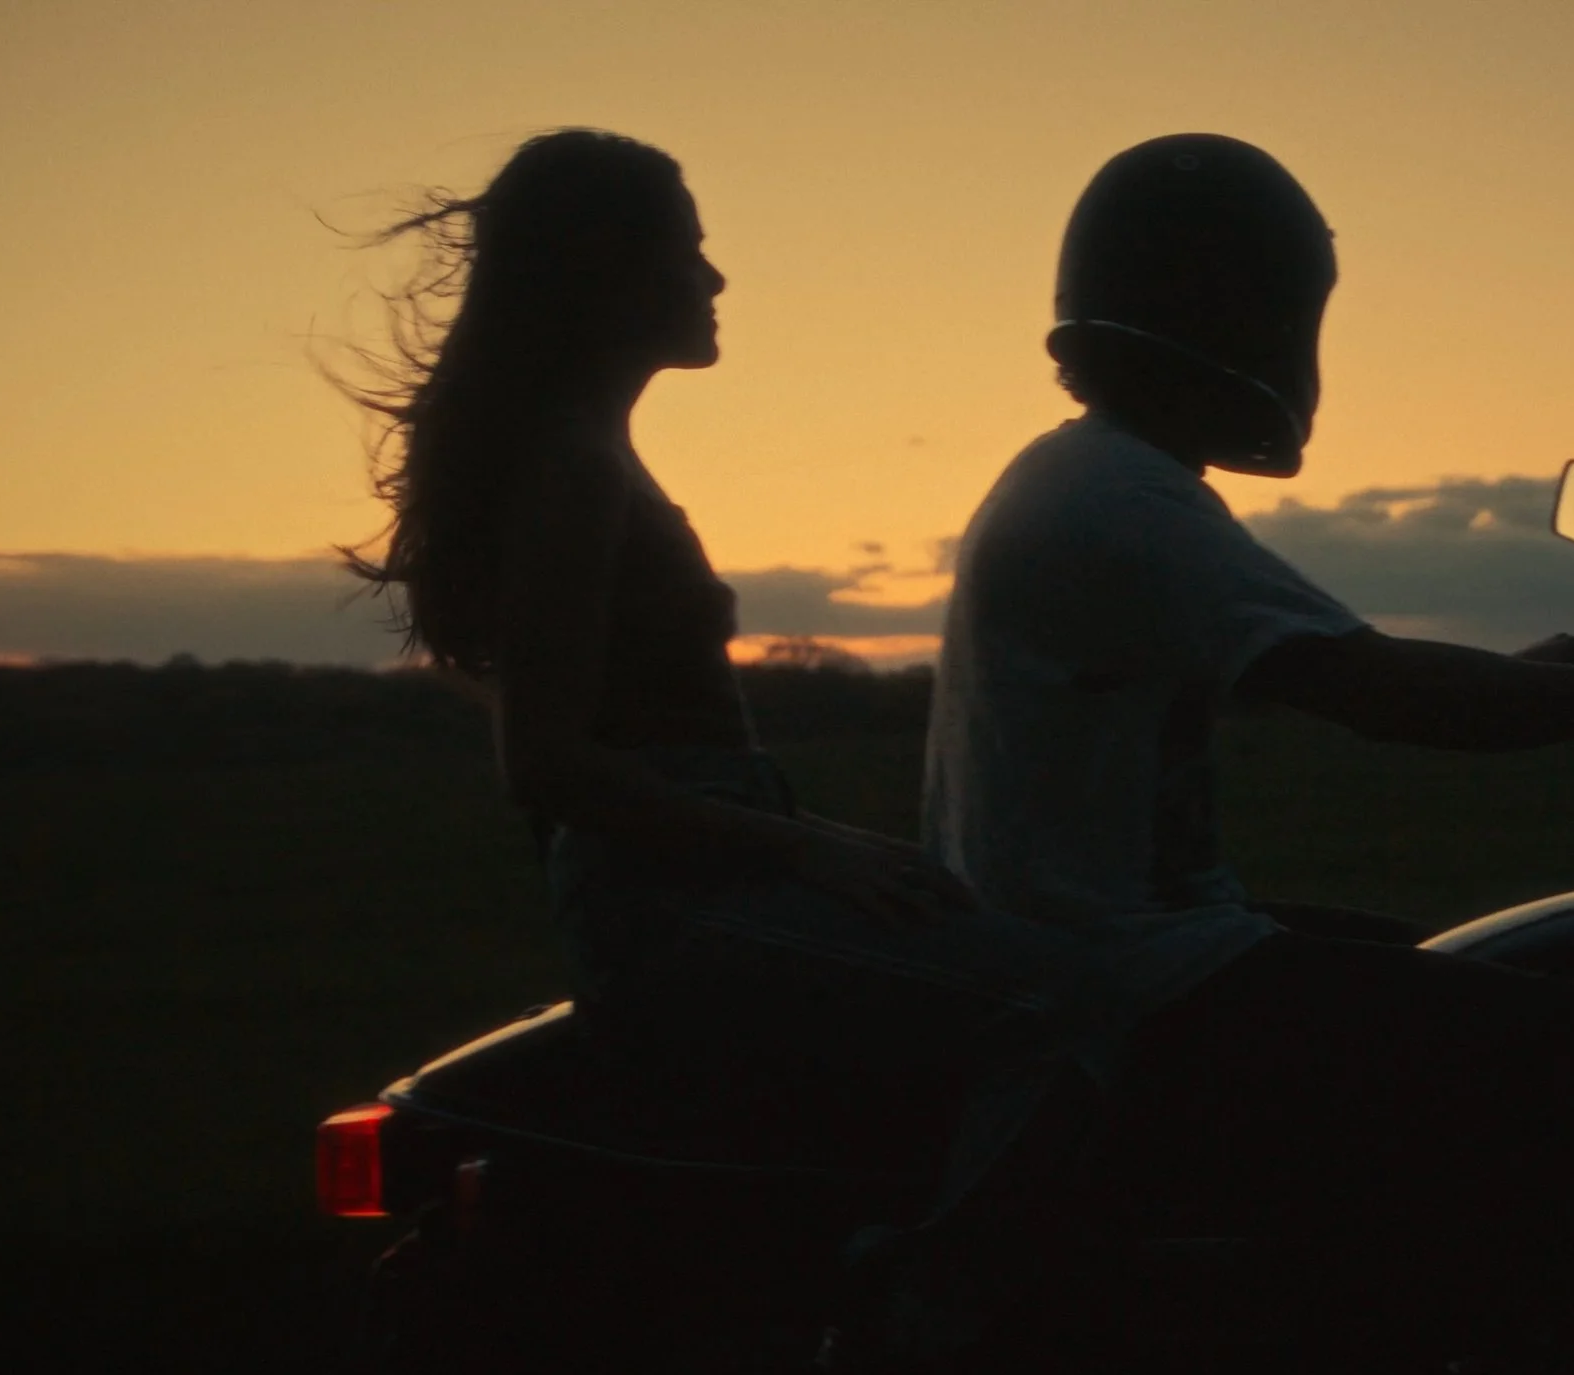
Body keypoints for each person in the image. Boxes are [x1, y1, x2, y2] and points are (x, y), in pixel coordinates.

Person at [920, 134, 1574, 1336]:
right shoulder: (1122, 501)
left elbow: (1332, 660)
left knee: (1474, 972)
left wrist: (1534, 677)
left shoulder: (1087, 475)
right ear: (1235, 309)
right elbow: (1387, 694)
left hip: (1107, 948)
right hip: (1128, 982)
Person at [339, 128, 1114, 1200]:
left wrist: (831, 842)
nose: (714, 278)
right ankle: (951, 1283)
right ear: (609, 275)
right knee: (1070, 1001)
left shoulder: (585, 455)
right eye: (688, 250)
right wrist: (807, 850)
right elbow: (547, 763)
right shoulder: (573, 471)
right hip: (672, 911)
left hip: (701, 879)